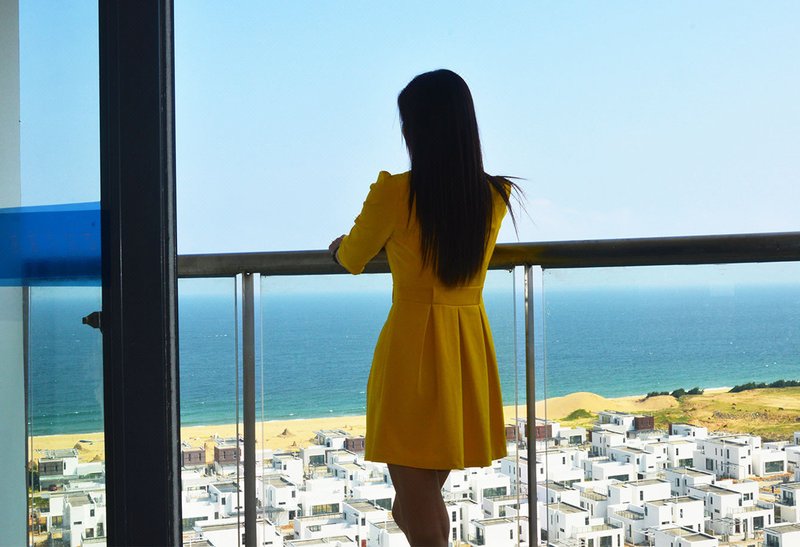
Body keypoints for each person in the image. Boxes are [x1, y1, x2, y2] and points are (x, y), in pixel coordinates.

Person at [329, 69, 519, 546]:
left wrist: (337, 247)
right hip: (466, 347)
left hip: (412, 348)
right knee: (414, 500)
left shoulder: (395, 193)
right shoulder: (494, 196)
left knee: (416, 502)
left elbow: (353, 257)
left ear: (416, 129)